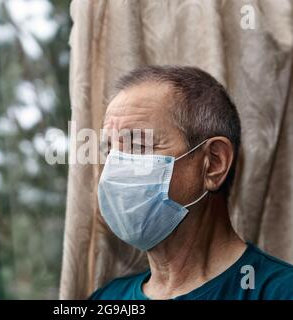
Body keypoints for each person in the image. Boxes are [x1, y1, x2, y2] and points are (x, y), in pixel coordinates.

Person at [90, 65, 293, 300]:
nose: (115, 168)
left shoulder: (280, 292)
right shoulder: (106, 299)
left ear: (214, 164)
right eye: (109, 151)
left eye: (138, 145)